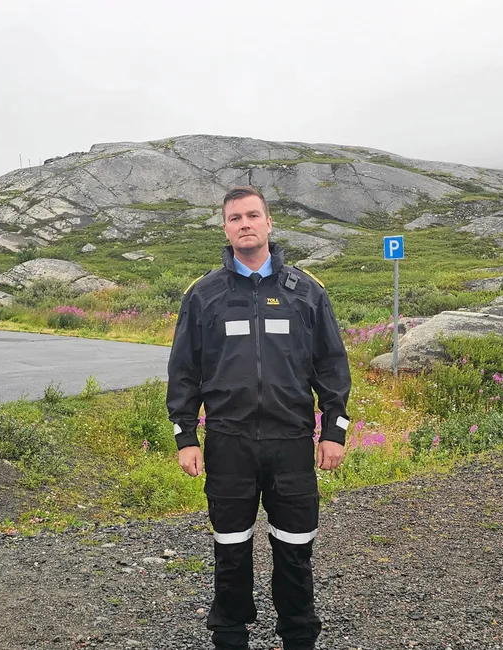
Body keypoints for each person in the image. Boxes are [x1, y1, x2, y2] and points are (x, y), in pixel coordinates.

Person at [166, 185, 352, 650]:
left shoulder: (307, 292)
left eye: (253, 215)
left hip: (291, 441)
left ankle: (299, 634)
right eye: (234, 218)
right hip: (228, 442)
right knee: (230, 545)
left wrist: (334, 429)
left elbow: (331, 365)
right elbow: (184, 372)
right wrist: (185, 436)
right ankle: (230, 634)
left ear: (269, 223)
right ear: (225, 228)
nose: (244, 224)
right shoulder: (204, 295)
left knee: (295, 545)